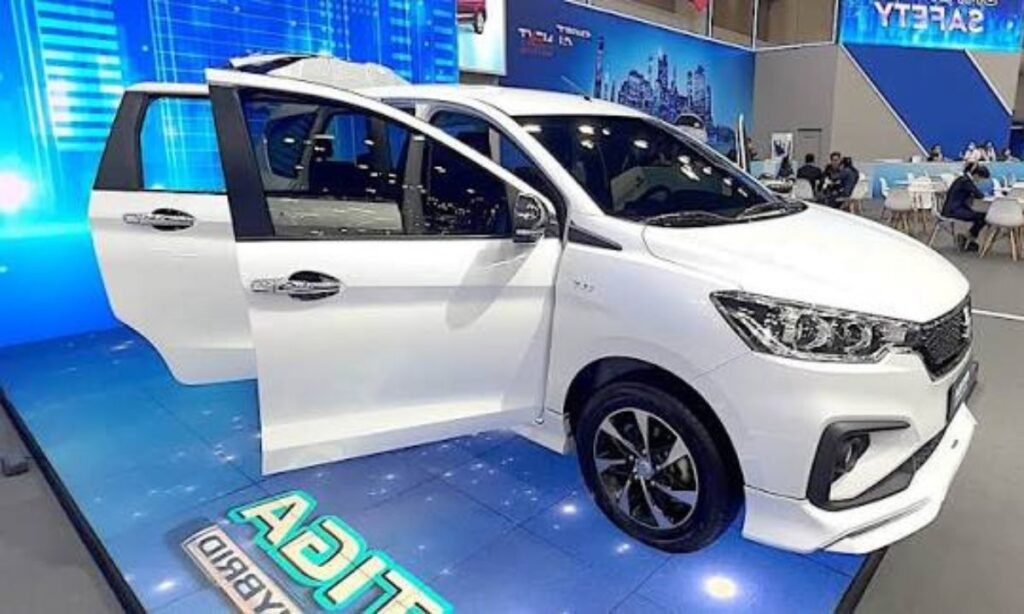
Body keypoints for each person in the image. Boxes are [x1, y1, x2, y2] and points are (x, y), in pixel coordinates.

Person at [942, 162, 988, 252]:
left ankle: (967, 238)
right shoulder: (966, 182)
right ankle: (968, 238)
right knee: (982, 217)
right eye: (981, 179)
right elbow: (979, 195)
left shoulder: (961, 179)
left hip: (950, 209)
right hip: (954, 210)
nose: (980, 182)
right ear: (977, 175)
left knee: (980, 216)